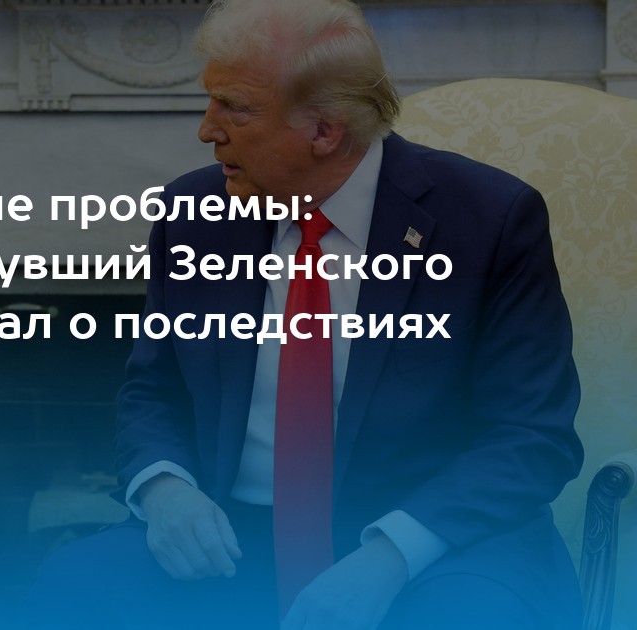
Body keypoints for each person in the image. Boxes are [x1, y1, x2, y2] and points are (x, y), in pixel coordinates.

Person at [29, 0, 583, 628]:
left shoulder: (488, 220)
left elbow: (533, 435)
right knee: (76, 582)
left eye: (234, 107)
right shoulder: (193, 214)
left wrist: (392, 555)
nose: (207, 130)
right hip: (234, 539)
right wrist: (165, 489)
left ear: (325, 130)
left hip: (432, 540)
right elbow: (153, 388)